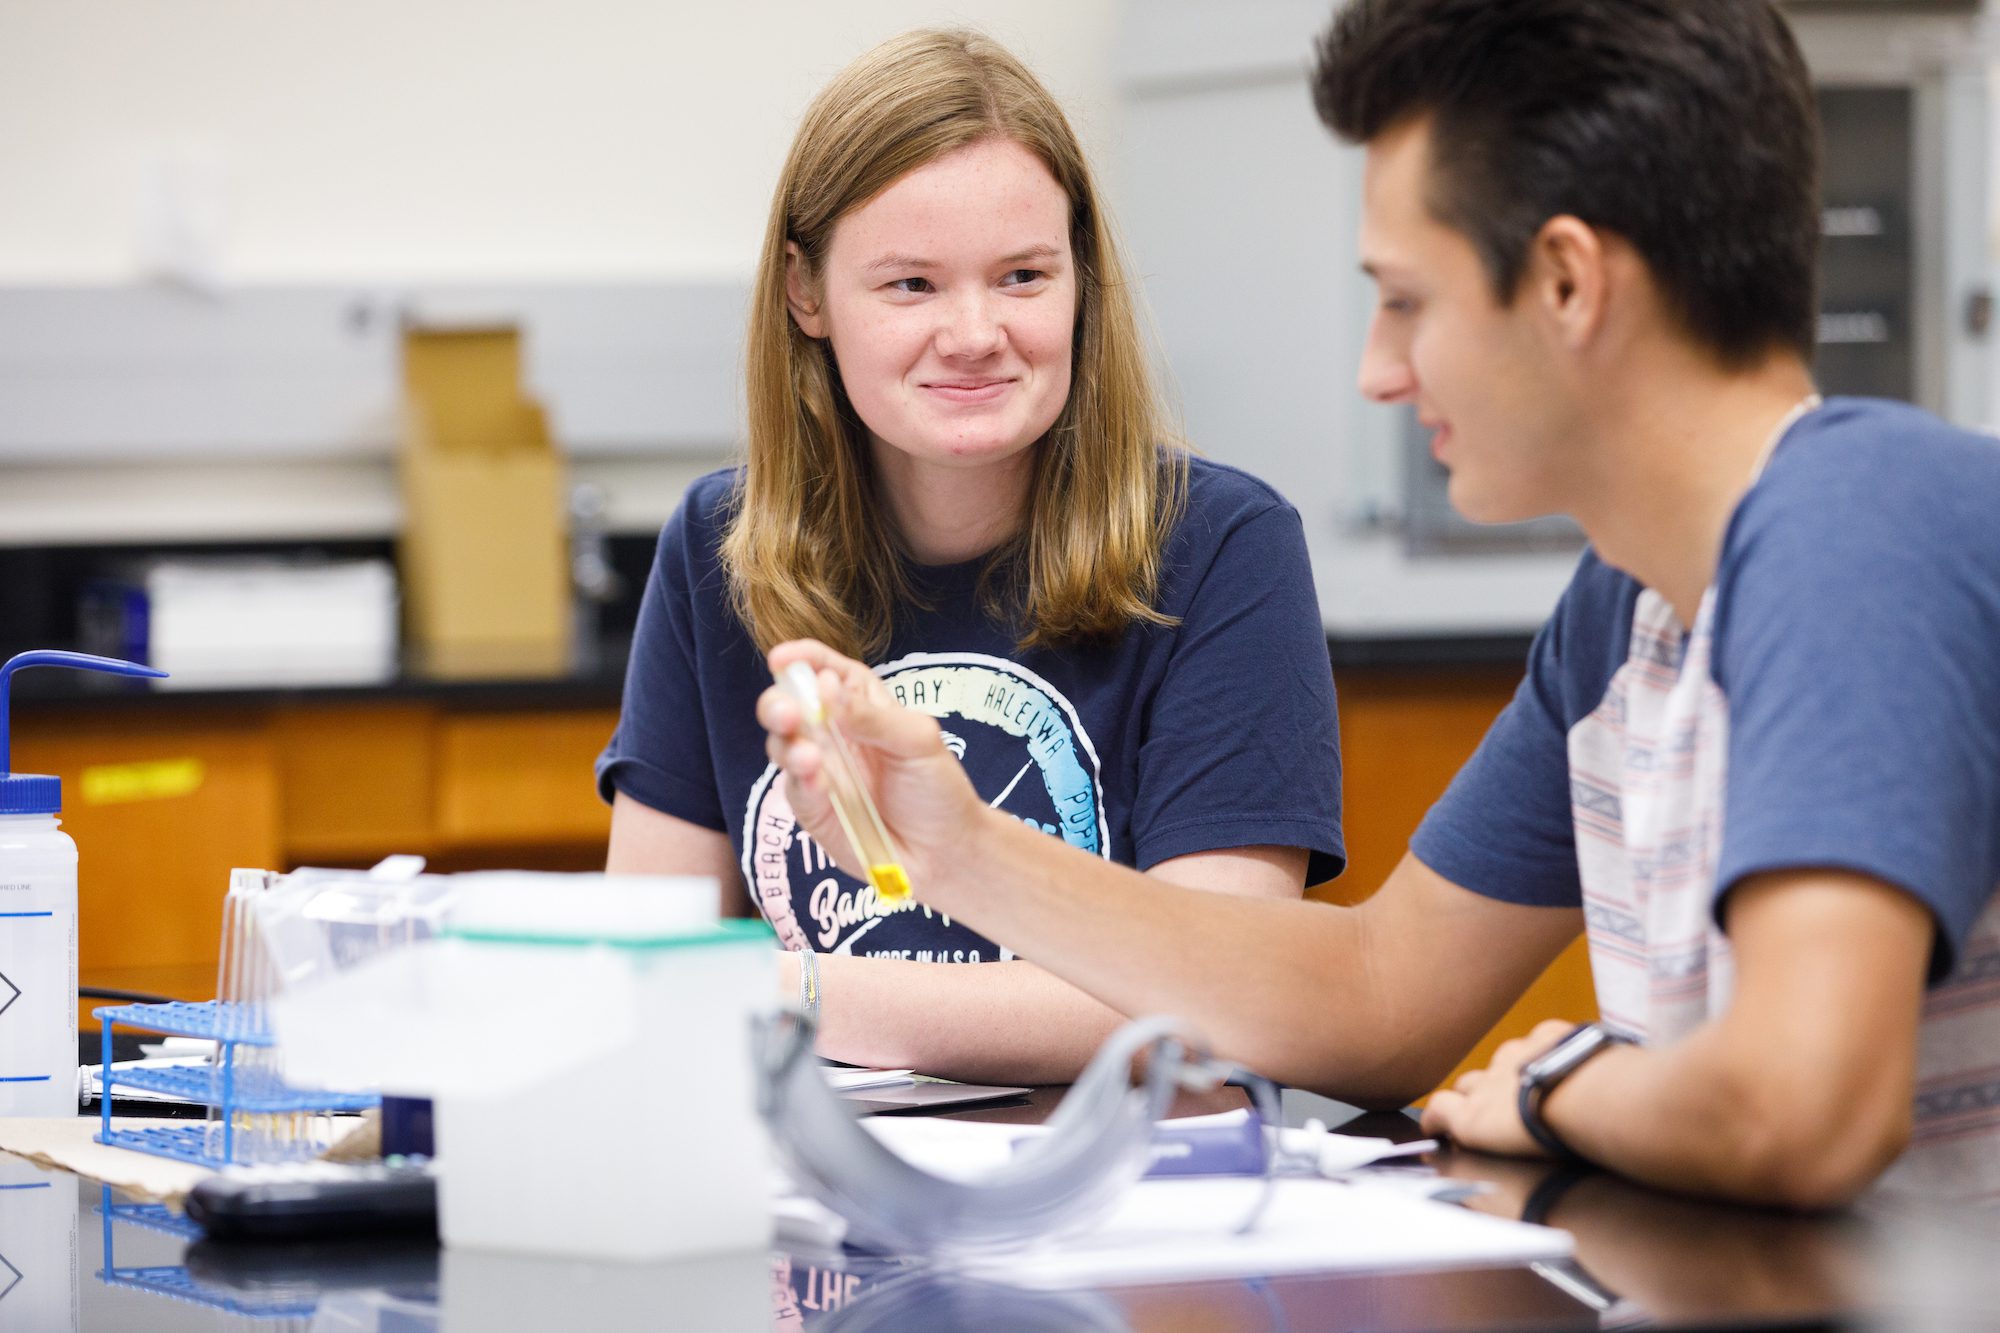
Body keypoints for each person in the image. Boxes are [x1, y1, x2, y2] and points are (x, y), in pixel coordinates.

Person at [757, 0, 2000, 1208]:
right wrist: (958, 849)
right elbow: (1377, 998)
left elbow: (1798, 1104)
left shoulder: (1861, 517)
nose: (1378, 371)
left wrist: (1558, 1087)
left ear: (1566, 283)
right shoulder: (1627, 608)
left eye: (1406, 299)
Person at [597, 29, 1344, 1085]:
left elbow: (1219, 997)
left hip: (1117, 1200)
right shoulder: (716, 549)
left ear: (1080, 278)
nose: (974, 332)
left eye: (1022, 276)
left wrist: (798, 994)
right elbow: (644, 957)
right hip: (816, 1195)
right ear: (806, 294)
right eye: (910, 284)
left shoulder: (1222, 547)